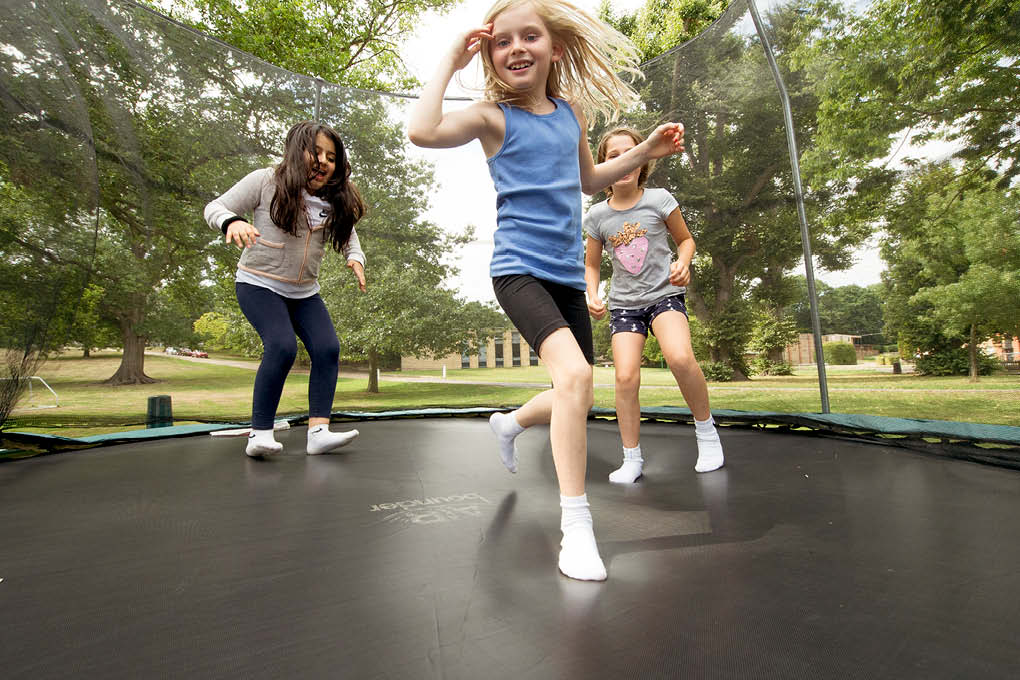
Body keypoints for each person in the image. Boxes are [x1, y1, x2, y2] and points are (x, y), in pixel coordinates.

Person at [408, 0, 684, 581]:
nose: (516, 48)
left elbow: (588, 180)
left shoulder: (568, 114)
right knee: (578, 377)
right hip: (518, 269)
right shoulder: (490, 118)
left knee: (575, 394)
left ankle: (509, 423)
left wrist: (645, 152)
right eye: (501, 41)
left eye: (529, 36)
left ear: (553, 47)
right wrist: (449, 59)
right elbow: (422, 130)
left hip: (562, 275)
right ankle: (576, 528)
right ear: (489, 54)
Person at [204, 121, 367, 458]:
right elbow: (215, 207)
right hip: (258, 283)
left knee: (327, 349)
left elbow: (349, 233)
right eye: (316, 153)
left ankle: (318, 431)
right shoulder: (266, 180)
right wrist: (231, 222)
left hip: (305, 292)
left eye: (331, 157)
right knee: (281, 346)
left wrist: (356, 257)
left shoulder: (333, 198)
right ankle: (259, 434)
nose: (323, 162)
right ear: (296, 153)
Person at [584, 127, 724, 483]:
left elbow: (686, 240)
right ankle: (632, 458)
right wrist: (592, 292)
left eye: (629, 152)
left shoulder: (659, 199)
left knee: (679, 357)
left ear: (643, 158)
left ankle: (707, 434)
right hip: (625, 306)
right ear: (602, 166)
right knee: (625, 376)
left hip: (664, 296)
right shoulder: (598, 216)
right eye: (612, 156)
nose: (622, 161)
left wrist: (683, 262)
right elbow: (592, 263)